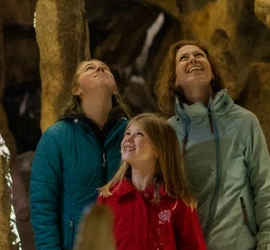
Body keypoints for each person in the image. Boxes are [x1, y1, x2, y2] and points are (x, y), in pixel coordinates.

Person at [156, 40, 270, 250]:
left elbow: (264, 185)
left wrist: (268, 243)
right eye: (183, 58)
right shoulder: (168, 133)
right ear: (175, 80)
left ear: (213, 73)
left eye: (199, 55)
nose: (193, 59)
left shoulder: (243, 121)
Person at [31, 59, 130, 250]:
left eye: (105, 67)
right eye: (89, 68)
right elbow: (43, 206)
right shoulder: (55, 138)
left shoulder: (132, 135)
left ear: (115, 89)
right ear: (76, 90)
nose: (100, 68)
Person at [97, 113, 207, 250]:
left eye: (139, 134)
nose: (128, 138)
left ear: (158, 149)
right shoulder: (108, 198)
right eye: (127, 133)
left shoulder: (177, 202)